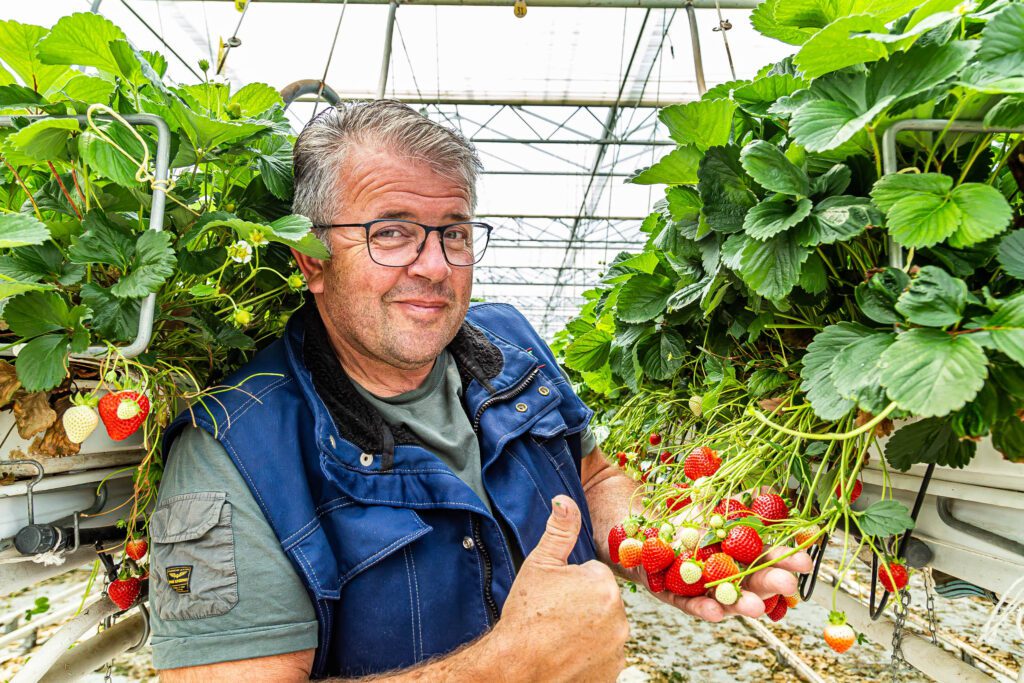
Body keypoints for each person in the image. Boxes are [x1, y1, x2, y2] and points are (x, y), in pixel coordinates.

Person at [149, 100, 811, 682]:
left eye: (455, 232)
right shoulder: (229, 454)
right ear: (313, 261)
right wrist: (508, 667)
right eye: (391, 232)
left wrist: (662, 546)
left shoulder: (512, 343)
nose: (435, 266)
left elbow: (593, 471)